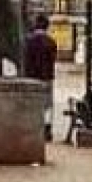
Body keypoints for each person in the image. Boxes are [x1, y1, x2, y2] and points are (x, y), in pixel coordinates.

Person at [23, 14, 59, 143]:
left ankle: (32, 128)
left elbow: (26, 60)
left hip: (32, 78)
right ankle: (47, 130)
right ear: (47, 26)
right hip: (47, 78)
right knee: (47, 105)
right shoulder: (52, 42)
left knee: (32, 104)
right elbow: (53, 60)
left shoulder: (28, 42)